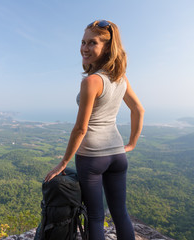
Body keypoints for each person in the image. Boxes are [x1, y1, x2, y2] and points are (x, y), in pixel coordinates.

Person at [44, 20, 144, 240]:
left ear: (107, 47)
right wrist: (131, 144)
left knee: (96, 217)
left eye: (92, 43)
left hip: (91, 158)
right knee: (120, 212)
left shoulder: (92, 81)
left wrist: (63, 163)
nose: (84, 48)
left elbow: (81, 128)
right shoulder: (120, 78)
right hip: (117, 155)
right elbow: (138, 110)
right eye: (83, 42)